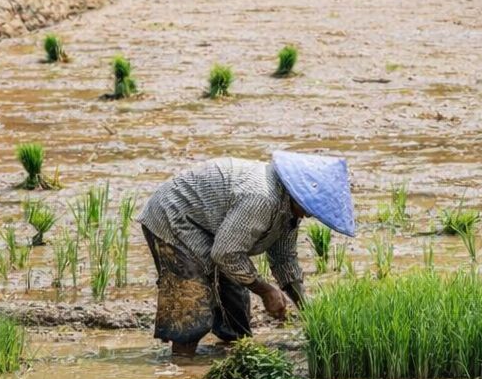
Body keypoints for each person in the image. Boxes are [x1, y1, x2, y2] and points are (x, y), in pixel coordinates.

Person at [140, 152, 356, 357]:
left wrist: (306, 310)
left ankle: (230, 353)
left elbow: (284, 259)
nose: (310, 214)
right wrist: (266, 291)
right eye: (311, 207)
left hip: (212, 230)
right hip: (174, 217)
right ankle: (181, 366)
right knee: (192, 302)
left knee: (236, 306)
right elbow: (226, 253)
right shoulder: (262, 197)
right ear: (298, 192)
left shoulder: (289, 210)